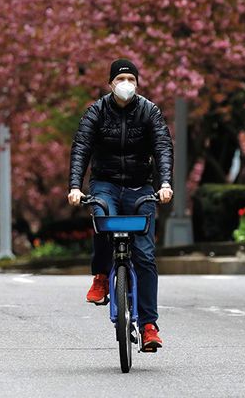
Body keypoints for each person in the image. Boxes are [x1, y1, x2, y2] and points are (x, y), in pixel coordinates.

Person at [67, 58, 173, 350]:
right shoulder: (96, 112)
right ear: (111, 83)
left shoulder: (150, 111)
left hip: (141, 187)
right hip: (106, 184)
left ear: (137, 84)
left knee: (145, 257)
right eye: (121, 79)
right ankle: (101, 277)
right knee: (101, 217)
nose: (126, 84)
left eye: (131, 79)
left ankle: (149, 325)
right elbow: (81, 148)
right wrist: (75, 186)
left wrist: (164, 184)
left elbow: (163, 147)